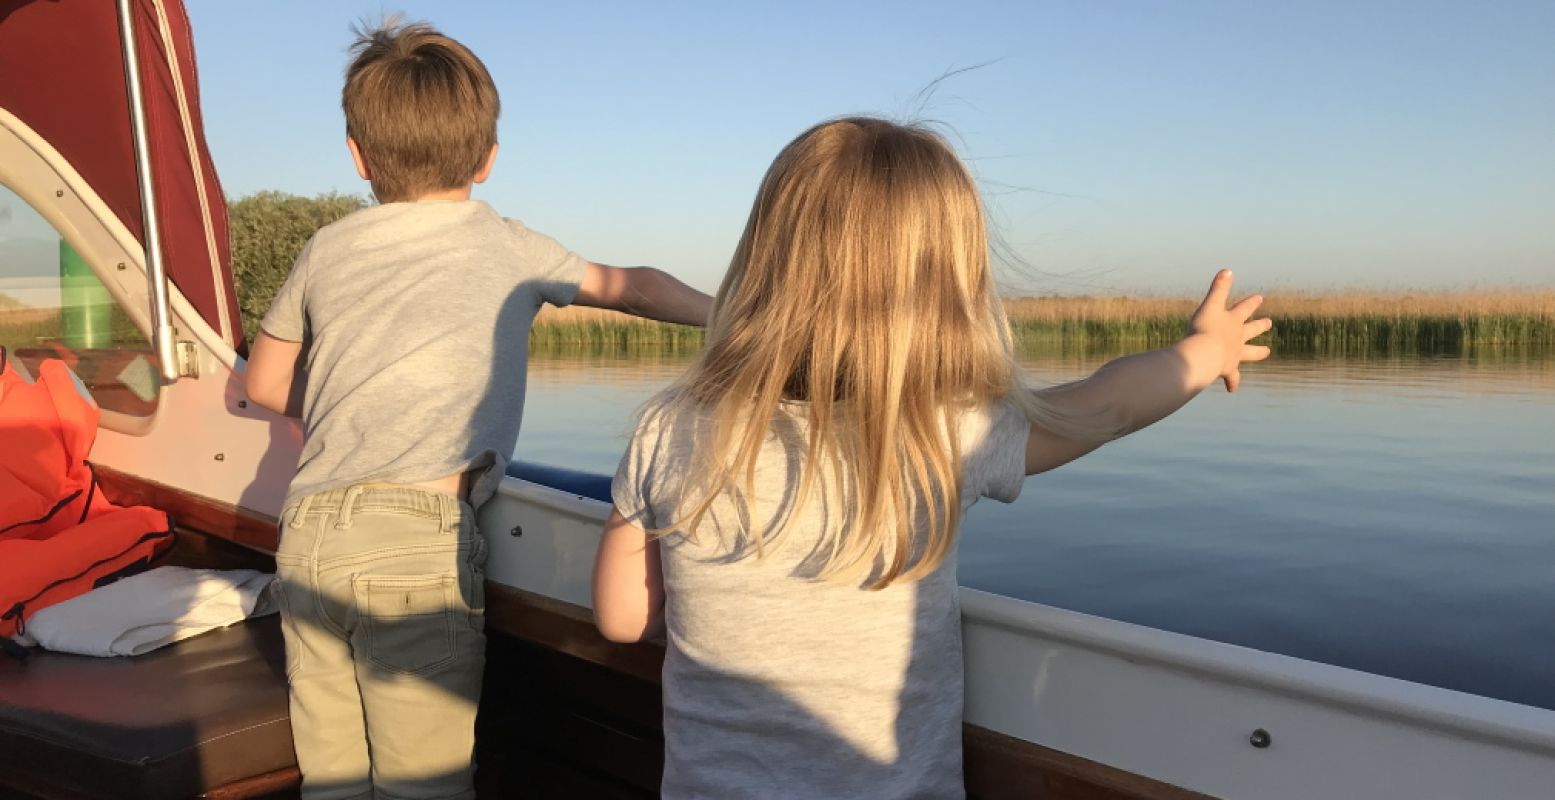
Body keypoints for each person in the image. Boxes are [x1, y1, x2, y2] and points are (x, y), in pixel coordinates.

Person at [593, 116, 1271, 798]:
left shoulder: (667, 427)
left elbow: (623, 619)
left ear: (765, 261)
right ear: (944, 285)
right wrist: (1206, 352)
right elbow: (1105, 405)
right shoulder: (944, 434)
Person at [243, 19, 712, 800]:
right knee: (422, 786)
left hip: (309, 536)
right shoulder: (506, 245)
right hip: (414, 546)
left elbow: (262, 384)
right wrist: (741, 313)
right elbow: (630, 285)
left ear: (357, 156)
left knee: (332, 783)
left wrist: (341, 405)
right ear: (489, 159)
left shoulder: (326, 247)